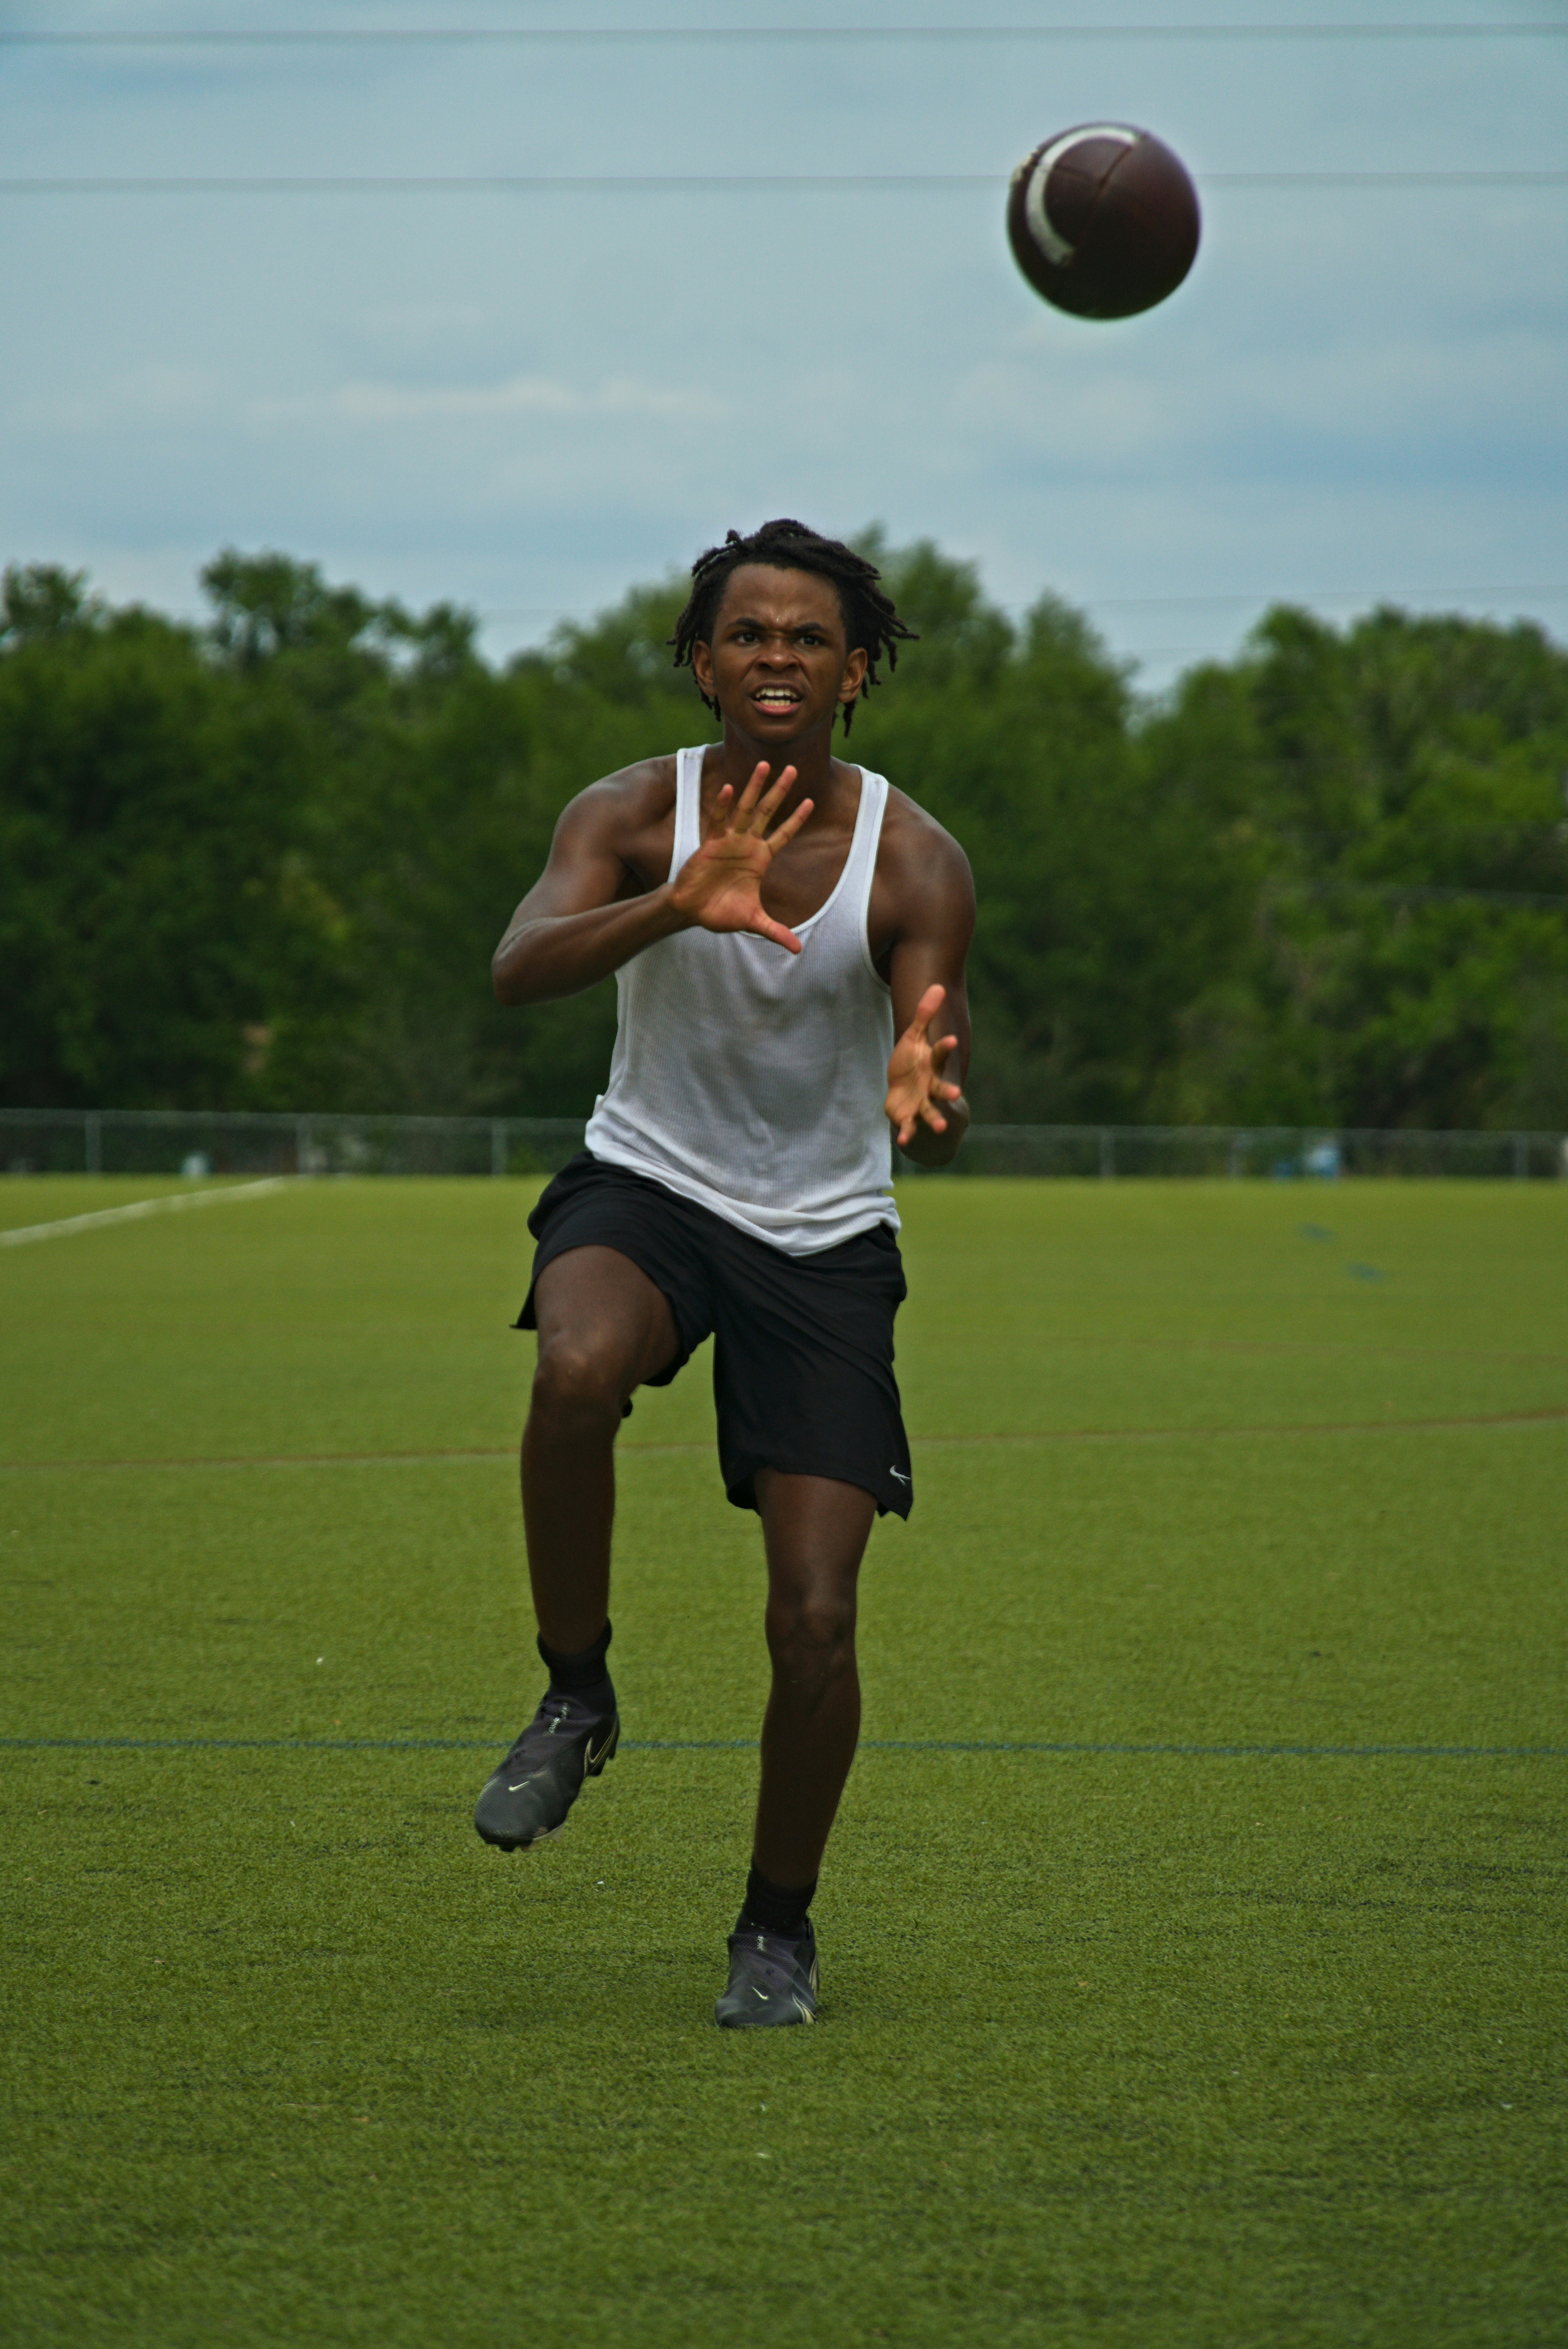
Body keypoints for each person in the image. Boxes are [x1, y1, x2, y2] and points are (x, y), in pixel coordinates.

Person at [473, 519, 974, 2027]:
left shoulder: (918, 859)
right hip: (652, 1186)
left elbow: (936, 1093)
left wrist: (919, 1088)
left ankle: (776, 1931)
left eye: (808, 637)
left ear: (856, 671)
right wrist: (674, 904)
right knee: (575, 1367)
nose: (777, 657)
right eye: (747, 635)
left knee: (816, 1617)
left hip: (824, 1240)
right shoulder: (631, 812)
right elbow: (517, 970)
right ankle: (579, 1689)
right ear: (703, 666)